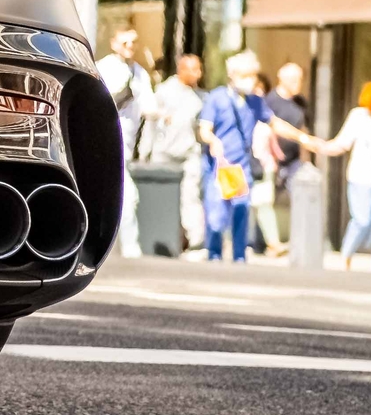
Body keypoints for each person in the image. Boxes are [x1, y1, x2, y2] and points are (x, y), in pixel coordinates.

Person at [304, 78, 371, 269]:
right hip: (361, 177)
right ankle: (347, 253)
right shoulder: (359, 116)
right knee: (362, 220)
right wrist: (321, 146)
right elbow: (343, 142)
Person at [198, 51, 272, 263]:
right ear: (233, 75)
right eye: (246, 75)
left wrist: (303, 138)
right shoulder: (217, 98)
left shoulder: (254, 102)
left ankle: (239, 256)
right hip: (218, 166)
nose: (251, 80)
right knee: (216, 215)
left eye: (253, 75)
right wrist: (213, 141)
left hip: (241, 166)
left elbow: (274, 122)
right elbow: (204, 129)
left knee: (241, 209)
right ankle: (214, 253)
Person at [141, 53, 208, 251]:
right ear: (181, 70)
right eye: (194, 69)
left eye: (199, 69)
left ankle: (195, 241)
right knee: (164, 197)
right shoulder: (165, 91)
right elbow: (150, 123)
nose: (198, 74)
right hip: (164, 152)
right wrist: (145, 152)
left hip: (189, 153)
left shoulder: (202, 98)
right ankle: (163, 238)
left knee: (191, 196)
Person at [96, 29, 153, 256]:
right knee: (126, 197)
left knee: (124, 197)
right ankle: (129, 248)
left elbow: (149, 105)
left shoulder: (140, 73)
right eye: (125, 41)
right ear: (114, 43)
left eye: (133, 42)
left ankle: (120, 248)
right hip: (106, 142)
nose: (130, 45)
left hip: (127, 146)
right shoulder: (104, 68)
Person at [255, 60, 311, 260]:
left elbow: (305, 130)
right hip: (272, 160)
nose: (298, 83)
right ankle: (264, 242)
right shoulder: (270, 101)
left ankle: (299, 241)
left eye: (300, 79)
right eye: (294, 79)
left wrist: (307, 161)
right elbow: (266, 128)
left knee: (301, 197)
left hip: (294, 160)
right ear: (282, 79)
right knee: (265, 200)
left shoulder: (301, 103)